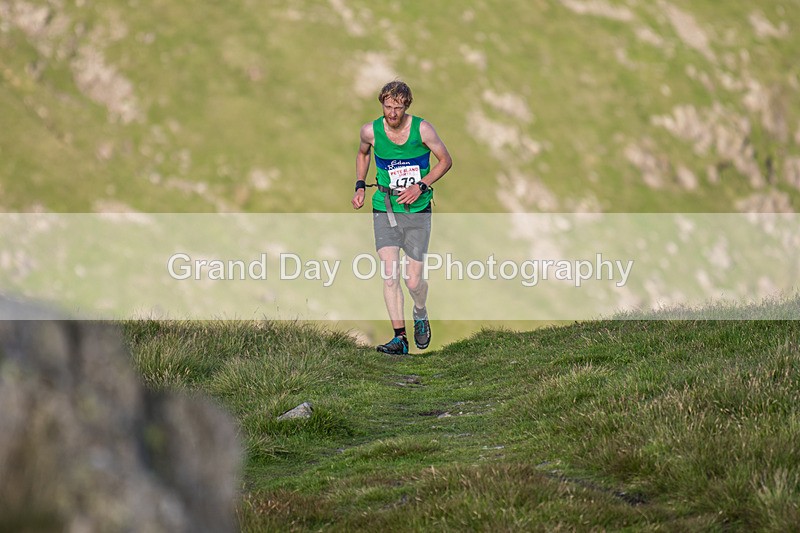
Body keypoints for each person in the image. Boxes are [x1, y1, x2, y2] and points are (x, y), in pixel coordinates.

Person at [351, 80, 453, 355]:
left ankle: (420, 310)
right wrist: (360, 185)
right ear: (381, 104)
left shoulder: (422, 129)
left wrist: (421, 185)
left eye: (398, 107)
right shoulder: (370, 131)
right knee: (389, 275)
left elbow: (445, 160)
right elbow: (363, 153)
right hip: (384, 206)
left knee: (412, 281)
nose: (392, 113)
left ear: (406, 106)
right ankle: (400, 338)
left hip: (418, 210)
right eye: (388, 106)